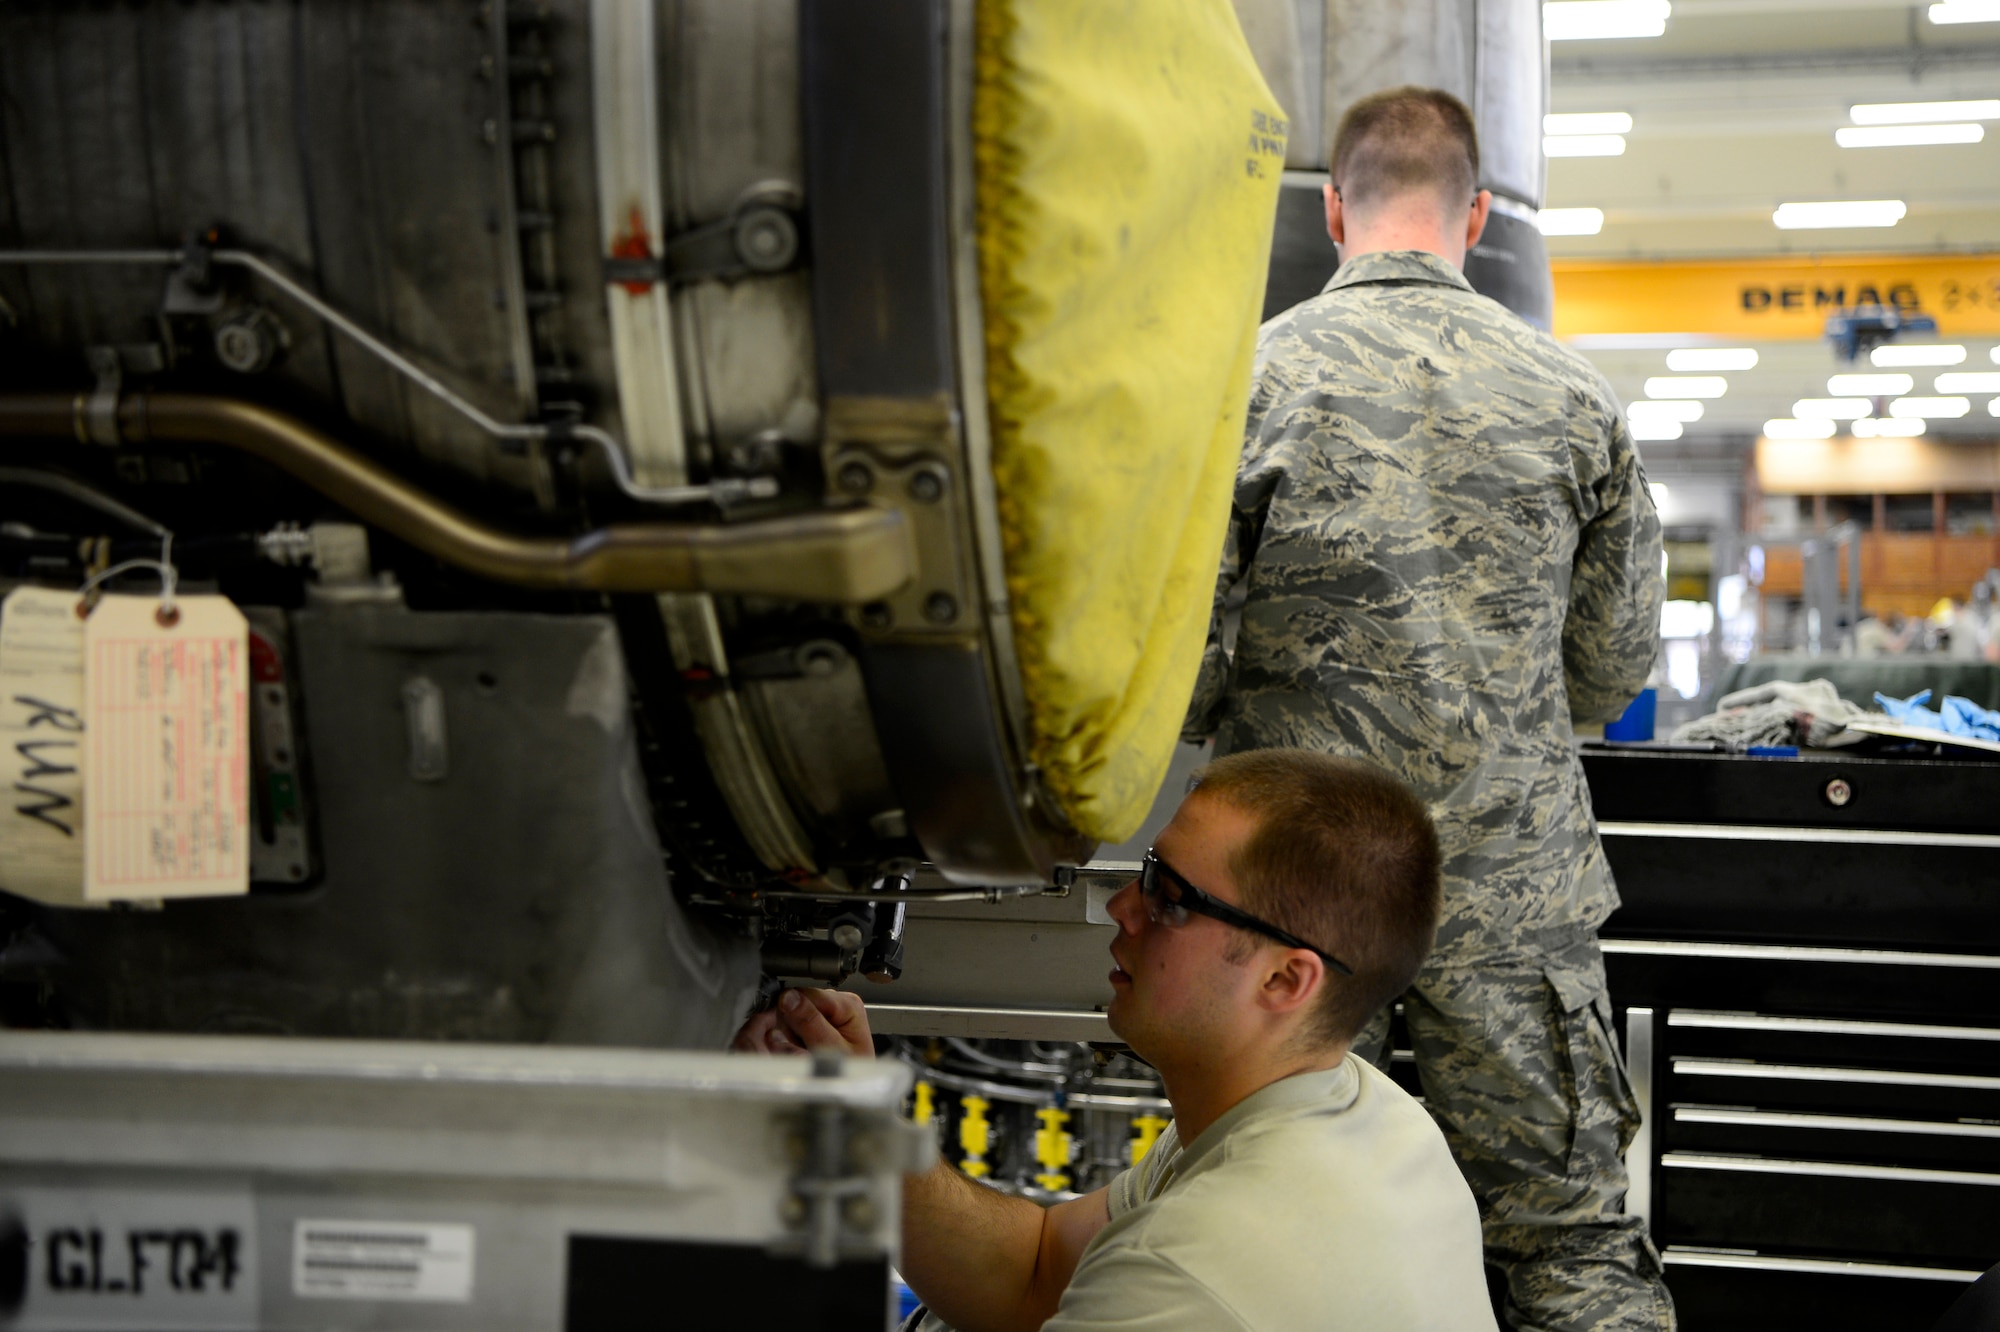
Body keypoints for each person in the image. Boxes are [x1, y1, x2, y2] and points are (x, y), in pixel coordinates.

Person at [1181, 87, 1672, 1331]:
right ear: (1478, 214)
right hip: (1503, 901)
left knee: (1249, 1227)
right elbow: (1610, 671)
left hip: (1283, 905)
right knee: (1567, 1248)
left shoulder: (1242, 383)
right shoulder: (1575, 401)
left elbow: (1180, 667)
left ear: (1334, 207)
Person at [739, 749, 1497, 1332]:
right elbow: (1035, 1274)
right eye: (1147, 872)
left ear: (1285, 982)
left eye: (1172, 896)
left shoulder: (1194, 1268)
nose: (1123, 910)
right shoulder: (1360, 1114)